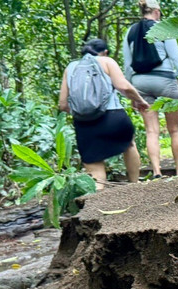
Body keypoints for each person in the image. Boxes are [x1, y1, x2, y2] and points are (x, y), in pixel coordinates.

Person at [58, 38, 147, 188]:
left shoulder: (71, 67)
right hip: (112, 116)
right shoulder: (107, 61)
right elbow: (123, 86)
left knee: (94, 162)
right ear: (104, 52)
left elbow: (62, 104)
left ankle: (98, 199)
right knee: (129, 145)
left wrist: (82, 113)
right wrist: (140, 100)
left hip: (84, 123)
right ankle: (135, 185)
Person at [123, 0, 178, 179]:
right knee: (175, 129)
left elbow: (127, 66)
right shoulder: (163, 29)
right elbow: (176, 59)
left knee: (151, 130)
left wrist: (132, 95)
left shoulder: (130, 31)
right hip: (165, 80)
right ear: (157, 11)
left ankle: (157, 171)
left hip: (140, 83)